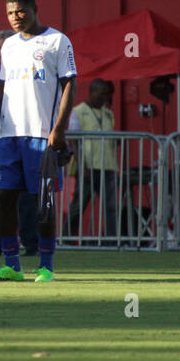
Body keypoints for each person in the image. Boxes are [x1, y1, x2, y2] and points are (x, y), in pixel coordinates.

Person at [0, 0, 77, 282]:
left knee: (43, 201)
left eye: (20, 11)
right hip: (9, 136)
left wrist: (59, 129)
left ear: (34, 9)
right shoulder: (8, 46)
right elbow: (2, 84)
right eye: (10, 13)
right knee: (4, 198)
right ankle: (12, 265)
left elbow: (70, 84)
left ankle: (45, 266)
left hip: (41, 135)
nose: (15, 17)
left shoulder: (57, 41)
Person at [0, 29, 39, 258]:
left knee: (25, 198)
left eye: (1, 48)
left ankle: (31, 243)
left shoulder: (27, 74)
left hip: (23, 142)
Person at [63, 79, 119, 242]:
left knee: (110, 206)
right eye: (102, 94)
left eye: (106, 95)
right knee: (79, 205)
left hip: (107, 166)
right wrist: (82, 165)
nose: (105, 98)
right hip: (88, 166)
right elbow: (74, 141)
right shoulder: (78, 111)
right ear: (92, 92)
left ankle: (111, 240)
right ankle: (66, 238)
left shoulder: (108, 113)